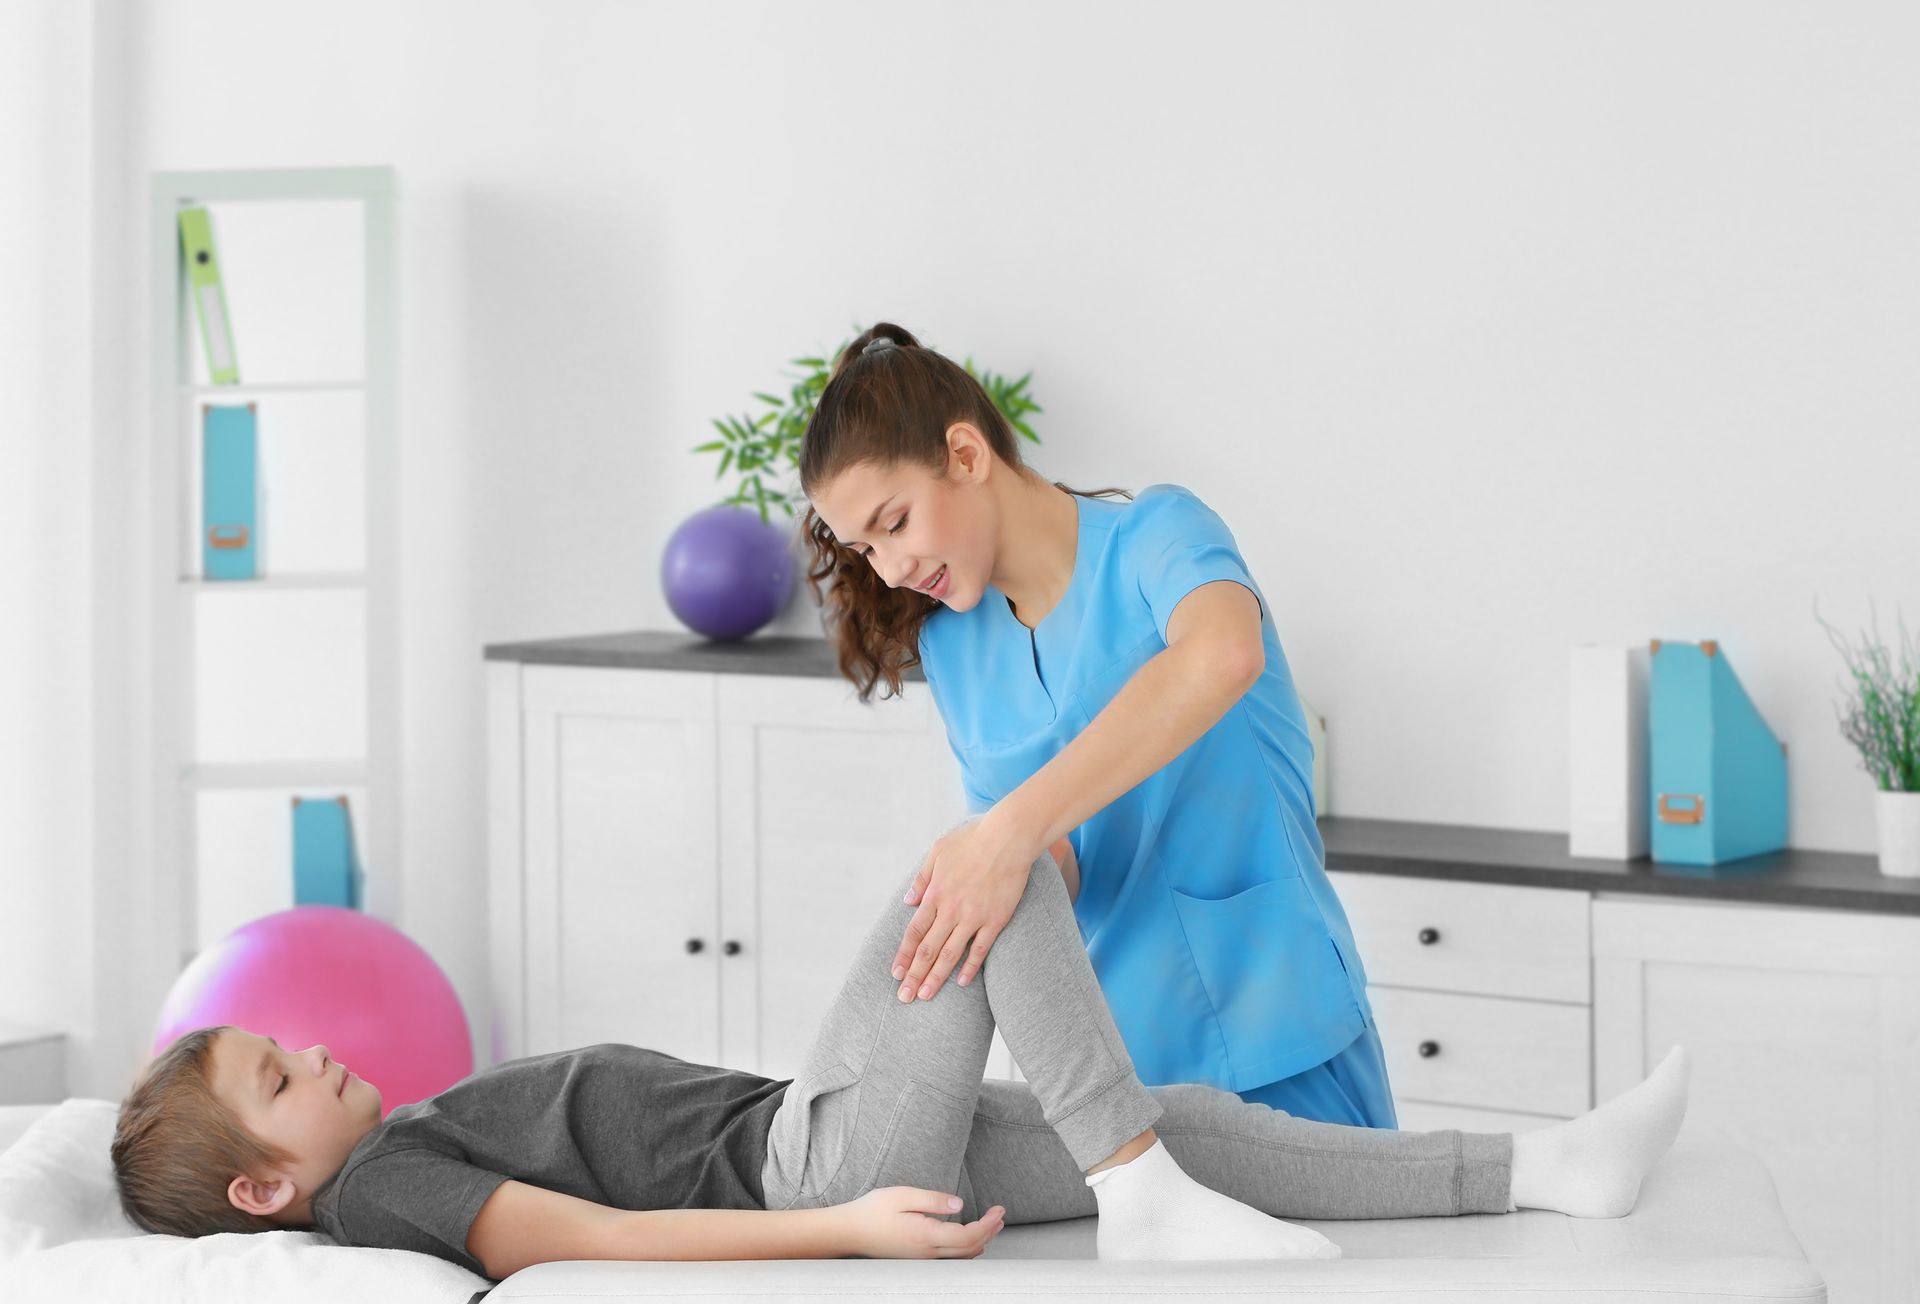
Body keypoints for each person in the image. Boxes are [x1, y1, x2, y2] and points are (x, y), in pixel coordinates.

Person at [111, 847, 1691, 1281]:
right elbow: (584, 1241)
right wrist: (842, 1228)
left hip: (821, 1140)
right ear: (266, 1183)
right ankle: (1135, 1187)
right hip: (815, 1166)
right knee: (979, 872)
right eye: (275, 1072)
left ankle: (1549, 1169)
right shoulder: (381, 1188)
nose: (311, 1048)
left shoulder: (394, 1142)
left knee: (1184, 1116)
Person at [799, 321, 1393, 1126]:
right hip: (1111, 1086)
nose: (891, 568)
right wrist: (984, 881)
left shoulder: (1159, 535)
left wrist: (1008, 832)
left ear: (967, 456)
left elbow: (1222, 655)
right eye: (866, 548)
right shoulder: (953, 647)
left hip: (1279, 1025)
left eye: (895, 522)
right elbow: (1054, 863)